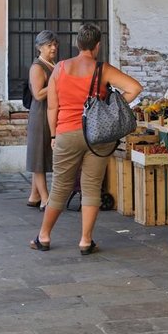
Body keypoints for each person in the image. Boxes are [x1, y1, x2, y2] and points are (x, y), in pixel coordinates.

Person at [31, 24, 142, 255]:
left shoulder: (60, 68)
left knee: (60, 187)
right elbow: (134, 88)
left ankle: (44, 236)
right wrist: (113, 105)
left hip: (66, 132)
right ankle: (85, 240)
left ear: (77, 44)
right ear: (97, 46)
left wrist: (53, 135)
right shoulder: (103, 69)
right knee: (91, 187)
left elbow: (52, 107)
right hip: (97, 135)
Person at [25, 30, 58, 211]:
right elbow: (37, 94)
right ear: (39, 47)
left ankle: (34, 195)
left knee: (42, 154)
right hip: (40, 115)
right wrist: (56, 83)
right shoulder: (37, 67)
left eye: (54, 44)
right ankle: (45, 198)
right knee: (39, 159)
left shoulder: (52, 64)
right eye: (49, 45)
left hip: (50, 114)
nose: (53, 48)